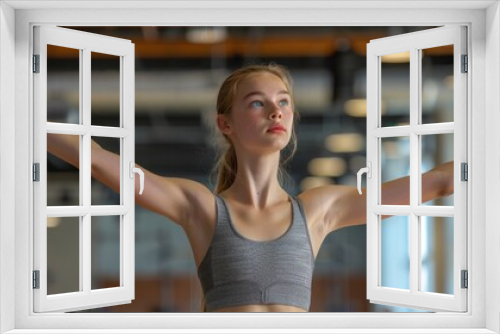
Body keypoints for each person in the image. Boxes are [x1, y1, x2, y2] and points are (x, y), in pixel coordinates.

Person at [47, 63, 454, 313]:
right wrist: (26, 119)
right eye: (257, 103)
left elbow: (437, 181)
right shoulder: (200, 208)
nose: (276, 110)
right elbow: (98, 160)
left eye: (284, 101)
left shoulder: (318, 208)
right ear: (226, 123)